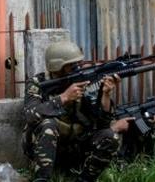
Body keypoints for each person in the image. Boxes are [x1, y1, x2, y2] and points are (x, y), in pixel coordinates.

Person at [22, 40, 133, 182]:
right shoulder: (37, 83)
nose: (77, 67)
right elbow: (30, 115)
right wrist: (64, 97)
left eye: (78, 63)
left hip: (77, 146)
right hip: (46, 149)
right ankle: (42, 179)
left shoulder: (84, 81)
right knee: (48, 125)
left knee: (111, 136)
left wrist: (105, 95)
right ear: (57, 66)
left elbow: (103, 123)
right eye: (71, 65)